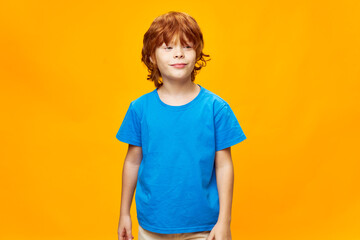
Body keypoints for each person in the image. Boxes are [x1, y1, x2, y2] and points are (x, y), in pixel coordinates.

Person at [116, 11, 247, 240]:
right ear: (151, 58)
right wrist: (123, 213)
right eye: (168, 48)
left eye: (187, 46)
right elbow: (132, 161)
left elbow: (224, 166)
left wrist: (224, 220)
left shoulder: (216, 108)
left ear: (197, 54)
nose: (178, 54)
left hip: (204, 227)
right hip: (152, 225)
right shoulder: (139, 109)